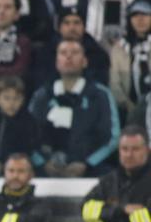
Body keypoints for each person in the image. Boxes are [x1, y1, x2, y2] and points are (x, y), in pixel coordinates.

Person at [28, 38, 119, 177]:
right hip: (44, 171)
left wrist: (87, 163)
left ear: (85, 61)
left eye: (75, 52)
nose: (69, 56)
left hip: (92, 170)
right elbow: (26, 133)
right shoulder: (41, 96)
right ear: (57, 62)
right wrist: (42, 163)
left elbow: (113, 138)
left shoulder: (101, 94)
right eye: (63, 53)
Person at [109, 0, 151, 115]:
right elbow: (115, 85)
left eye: (145, 14)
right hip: (129, 112)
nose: (140, 19)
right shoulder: (119, 49)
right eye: (135, 15)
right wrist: (130, 107)